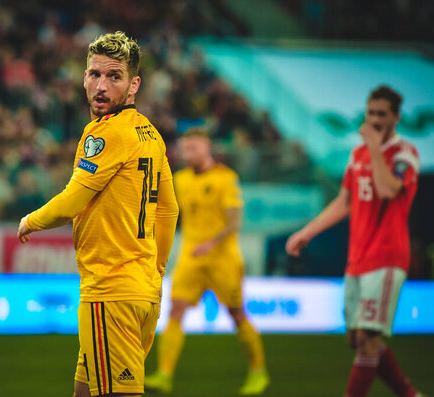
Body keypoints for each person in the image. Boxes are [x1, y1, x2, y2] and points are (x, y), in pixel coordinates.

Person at [17, 31, 179, 397]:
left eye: (114, 76)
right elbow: (169, 209)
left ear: (134, 84)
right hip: (140, 291)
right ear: (83, 77)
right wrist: (156, 268)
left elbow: (74, 199)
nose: (101, 86)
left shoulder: (106, 134)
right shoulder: (150, 134)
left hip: (111, 291)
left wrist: (31, 220)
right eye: (94, 74)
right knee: (84, 392)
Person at [286, 86, 424, 397]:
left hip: (387, 257)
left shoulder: (405, 155)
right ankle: (409, 393)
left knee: (368, 338)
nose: (374, 119)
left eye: (382, 114)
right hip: (357, 257)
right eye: (371, 112)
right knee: (356, 338)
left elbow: (389, 190)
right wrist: (306, 232)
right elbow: (344, 201)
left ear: (396, 118)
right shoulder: (357, 154)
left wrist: (376, 147)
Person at [145, 128, 269, 395]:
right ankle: (164, 374)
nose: (187, 153)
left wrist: (211, 243)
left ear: (206, 147)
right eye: (184, 149)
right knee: (175, 309)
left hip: (222, 259)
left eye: (193, 148)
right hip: (191, 257)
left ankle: (258, 372)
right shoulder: (179, 178)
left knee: (237, 314)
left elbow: (234, 222)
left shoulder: (226, 179)